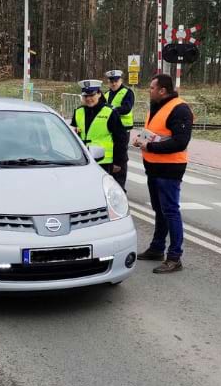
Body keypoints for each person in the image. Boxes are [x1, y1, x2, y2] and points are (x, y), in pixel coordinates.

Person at [133, 73, 193, 274]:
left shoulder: (180, 109)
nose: (149, 90)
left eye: (151, 87)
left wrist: (149, 147)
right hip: (153, 167)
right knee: (159, 210)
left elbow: (180, 142)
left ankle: (174, 257)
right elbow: (156, 132)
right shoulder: (157, 105)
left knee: (170, 211)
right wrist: (142, 140)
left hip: (170, 168)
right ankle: (157, 248)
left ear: (162, 90)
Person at [71, 79, 128, 184]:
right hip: (83, 160)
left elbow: (121, 139)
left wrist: (118, 162)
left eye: (91, 95)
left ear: (98, 94)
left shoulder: (109, 112)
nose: (88, 99)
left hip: (105, 163)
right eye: (85, 96)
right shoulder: (78, 112)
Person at [103, 69, 135, 189]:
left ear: (121, 80)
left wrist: (113, 110)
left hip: (123, 130)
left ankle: (120, 186)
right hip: (109, 129)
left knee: (120, 157)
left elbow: (127, 108)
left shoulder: (127, 92)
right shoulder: (106, 94)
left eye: (116, 81)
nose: (114, 83)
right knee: (110, 155)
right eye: (111, 81)